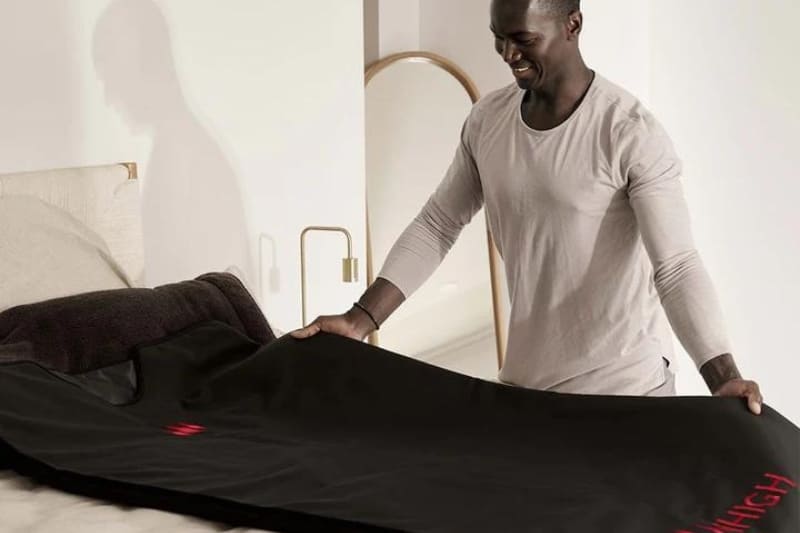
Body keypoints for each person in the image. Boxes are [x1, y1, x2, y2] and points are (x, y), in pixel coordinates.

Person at [292, 0, 763, 414]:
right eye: (499, 38)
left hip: (626, 393)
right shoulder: (486, 120)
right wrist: (360, 319)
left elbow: (676, 266)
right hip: (526, 389)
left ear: (572, 25)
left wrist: (722, 378)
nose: (508, 55)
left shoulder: (628, 132)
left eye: (523, 39)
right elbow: (438, 224)